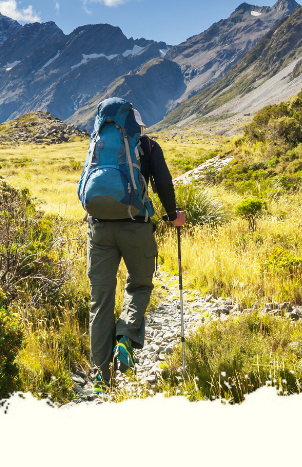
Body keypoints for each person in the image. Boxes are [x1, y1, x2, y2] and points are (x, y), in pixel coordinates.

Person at [85, 107, 186, 390]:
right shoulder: (148, 146)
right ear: (138, 126)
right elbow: (163, 183)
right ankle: (126, 338)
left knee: (100, 302)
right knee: (140, 285)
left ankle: (101, 378)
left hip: (98, 229)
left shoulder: (98, 144)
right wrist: (172, 215)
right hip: (136, 227)